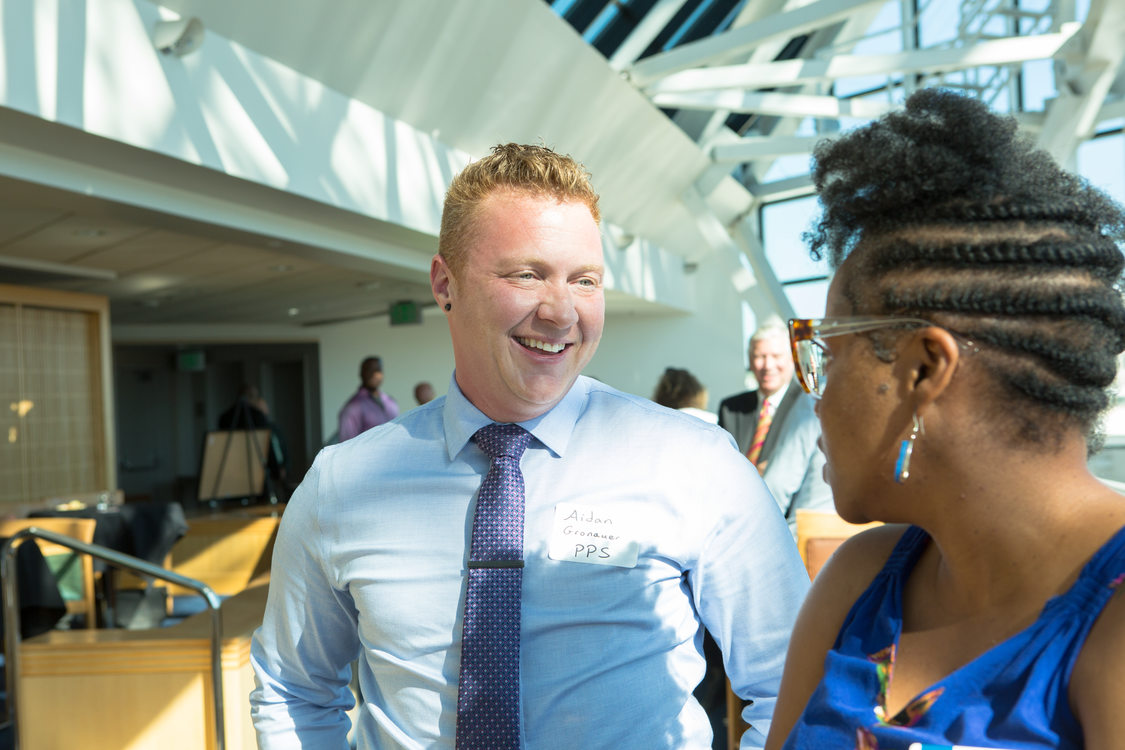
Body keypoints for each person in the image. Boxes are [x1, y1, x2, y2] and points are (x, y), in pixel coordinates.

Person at [250, 143, 809, 749]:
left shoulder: (693, 463)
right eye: (527, 274)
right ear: (445, 284)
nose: (561, 311)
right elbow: (292, 690)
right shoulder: (342, 485)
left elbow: (794, 682)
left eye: (585, 280)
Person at [764, 89, 1125, 750]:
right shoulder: (860, 580)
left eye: (828, 350)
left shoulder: (1110, 617)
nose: (814, 392)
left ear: (924, 369)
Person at [718, 324, 833, 536]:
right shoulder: (731, 408)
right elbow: (722, 469)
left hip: (781, 524)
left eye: (776, 356)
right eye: (760, 356)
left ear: (791, 359)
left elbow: (781, 483)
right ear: (750, 360)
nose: (768, 365)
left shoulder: (807, 402)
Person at [337, 356, 399, 441]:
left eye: (378, 370)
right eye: (370, 370)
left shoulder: (390, 402)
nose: (374, 374)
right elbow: (347, 445)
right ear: (361, 373)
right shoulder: (353, 407)